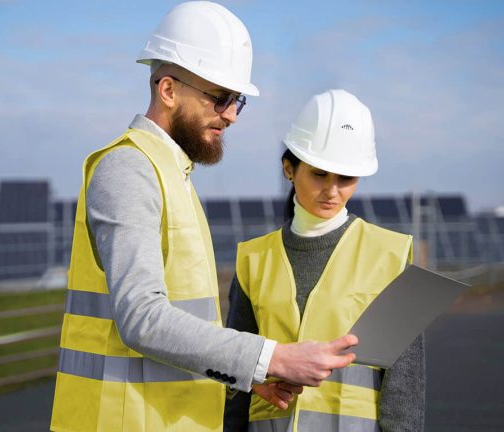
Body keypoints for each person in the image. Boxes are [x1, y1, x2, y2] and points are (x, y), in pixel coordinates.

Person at [50, 3, 359, 432]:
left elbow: (184, 329)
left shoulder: (172, 173)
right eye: (220, 98)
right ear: (169, 90)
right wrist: (274, 357)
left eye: (238, 101)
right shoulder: (129, 169)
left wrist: (248, 376)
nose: (231, 115)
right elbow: (142, 318)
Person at [223, 89, 426, 432]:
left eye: (345, 178)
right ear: (289, 169)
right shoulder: (252, 260)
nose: (332, 191)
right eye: (319, 174)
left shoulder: (390, 256)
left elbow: (404, 391)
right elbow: (235, 381)